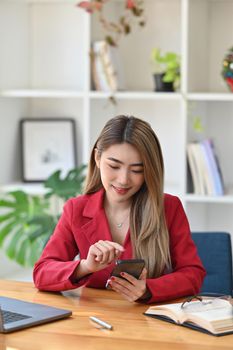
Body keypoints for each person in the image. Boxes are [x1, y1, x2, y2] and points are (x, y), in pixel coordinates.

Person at [33, 115, 205, 303]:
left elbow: (193, 274)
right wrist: (85, 267)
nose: (123, 179)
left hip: (149, 321)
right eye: (114, 166)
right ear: (97, 158)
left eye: (137, 170)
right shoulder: (76, 209)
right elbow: (42, 273)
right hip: (92, 319)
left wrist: (148, 289)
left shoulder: (168, 208)